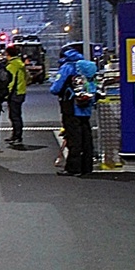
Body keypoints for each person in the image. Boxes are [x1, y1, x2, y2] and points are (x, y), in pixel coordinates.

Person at [50, 47, 98, 176]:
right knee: (86, 136)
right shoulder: (87, 67)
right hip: (85, 106)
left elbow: (56, 88)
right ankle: (87, 166)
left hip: (71, 106)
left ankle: (73, 167)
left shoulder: (68, 67)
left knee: (73, 137)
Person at [4, 44, 28, 145]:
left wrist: (6, 93)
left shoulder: (12, 65)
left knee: (14, 116)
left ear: (8, 54)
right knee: (16, 115)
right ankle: (16, 135)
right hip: (20, 91)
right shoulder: (20, 63)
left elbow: (10, 80)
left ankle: (17, 136)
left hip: (14, 93)